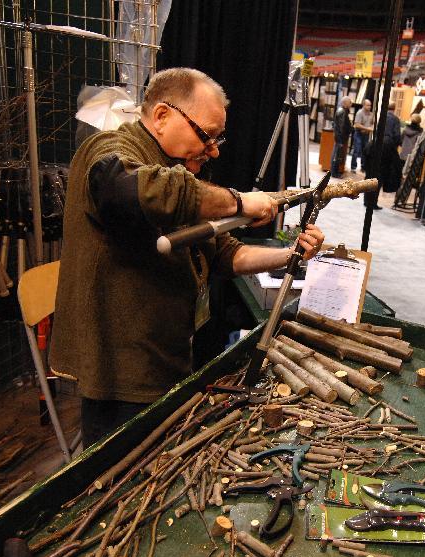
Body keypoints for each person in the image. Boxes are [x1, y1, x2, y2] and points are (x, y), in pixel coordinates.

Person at [50, 68, 325, 447]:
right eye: (205, 135)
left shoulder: (174, 170)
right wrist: (240, 201)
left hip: (167, 353)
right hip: (123, 370)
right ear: (162, 116)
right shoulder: (110, 152)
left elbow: (223, 255)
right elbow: (135, 192)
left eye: (217, 139)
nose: (212, 149)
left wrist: (288, 256)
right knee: (120, 474)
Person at [381, 102, 402, 193]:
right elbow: (397, 135)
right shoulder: (396, 119)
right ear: (394, 108)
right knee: (388, 167)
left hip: (380, 143)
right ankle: (387, 186)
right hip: (390, 146)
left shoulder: (382, 117)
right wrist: (397, 145)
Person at [330, 96, 353, 178]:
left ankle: (334, 172)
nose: (351, 104)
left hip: (340, 137)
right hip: (340, 137)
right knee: (337, 155)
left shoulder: (342, 111)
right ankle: (334, 173)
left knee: (337, 154)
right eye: (350, 102)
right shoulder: (342, 112)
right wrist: (340, 140)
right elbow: (341, 126)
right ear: (345, 103)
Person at [350, 99, 373, 172]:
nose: (369, 107)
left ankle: (363, 167)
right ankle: (353, 167)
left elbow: (373, 123)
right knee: (356, 150)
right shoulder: (359, 113)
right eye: (368, 105)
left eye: (370, 105)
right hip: (359, 134)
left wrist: (372, 127)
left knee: (365, 151)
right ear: (363, 105)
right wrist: (367, 128)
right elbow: (356, 125)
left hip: (366, 135)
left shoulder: (371, 114)